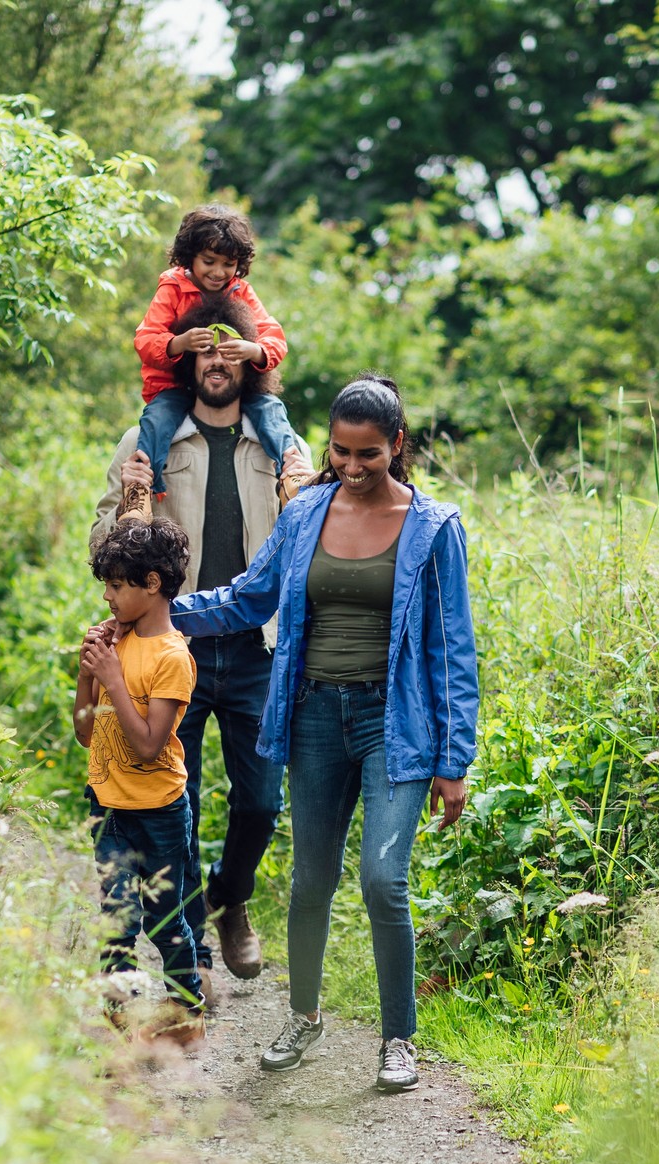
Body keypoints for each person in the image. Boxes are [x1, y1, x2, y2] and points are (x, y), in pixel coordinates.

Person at [172, 374, 479, 1094]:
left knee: (382, 879)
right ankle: (304, 1018)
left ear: (397, 446)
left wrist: (453, 758)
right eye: (340, 451)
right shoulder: (307, 512)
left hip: (395, 725)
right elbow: (252, 596)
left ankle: (398, 1039)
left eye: (368, 453)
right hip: (313, 715)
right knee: (310, 882)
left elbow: (452, 649)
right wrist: (164, 613)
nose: (350, 465)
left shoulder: (434, 529)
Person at [92, 296, 313, 996]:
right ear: (185, 356)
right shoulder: (147, 440)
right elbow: (103, 544)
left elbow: (311, 530)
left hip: (256, 644)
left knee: (259, 805)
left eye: (229, 350)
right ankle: (196, 955)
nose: (216, 363)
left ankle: (231, 896)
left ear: (249, 359)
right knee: (172, 804)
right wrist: (132, 505)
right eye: (204, 350)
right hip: (171, 641)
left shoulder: (283, 445)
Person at [74, 519, 204, 1044]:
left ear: (152, 584)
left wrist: (110, 678)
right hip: (108, 806)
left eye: (117, 585)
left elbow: (149, 745)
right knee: (117, 920)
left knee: (165, 918)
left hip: (160, 811)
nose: (107, 597)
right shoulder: (114, 644)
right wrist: (88, 672)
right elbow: (86, 733)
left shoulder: (173, 657)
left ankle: (184, 1012)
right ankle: (115, 1021)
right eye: (105, 585)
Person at [133, 204, 293, 498]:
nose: (219, 272)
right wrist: (179, 342)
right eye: (209, 261)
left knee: (271, 411)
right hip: (175, 384)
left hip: (233, 386)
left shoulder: (241, 291)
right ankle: (144, 489)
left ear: (239, 264)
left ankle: (291, 476)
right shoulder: (172, 288)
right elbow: (145, 338)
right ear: (190, 256)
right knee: (156, 420)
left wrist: (253, 350)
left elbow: (275, 338)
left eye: (228, 264)